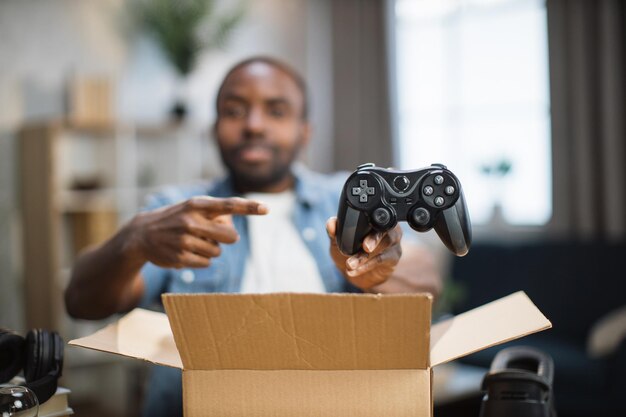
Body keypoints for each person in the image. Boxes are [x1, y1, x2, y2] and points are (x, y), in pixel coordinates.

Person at [64, 56, 441, 416]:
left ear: (304, 131)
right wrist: (135, 239)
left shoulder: (347, 198)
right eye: (234, 110)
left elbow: (428, 281)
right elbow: (82, 301)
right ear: (215, 129)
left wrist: (379, 269)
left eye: (276, 111)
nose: (254, 125)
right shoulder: (176, 211)